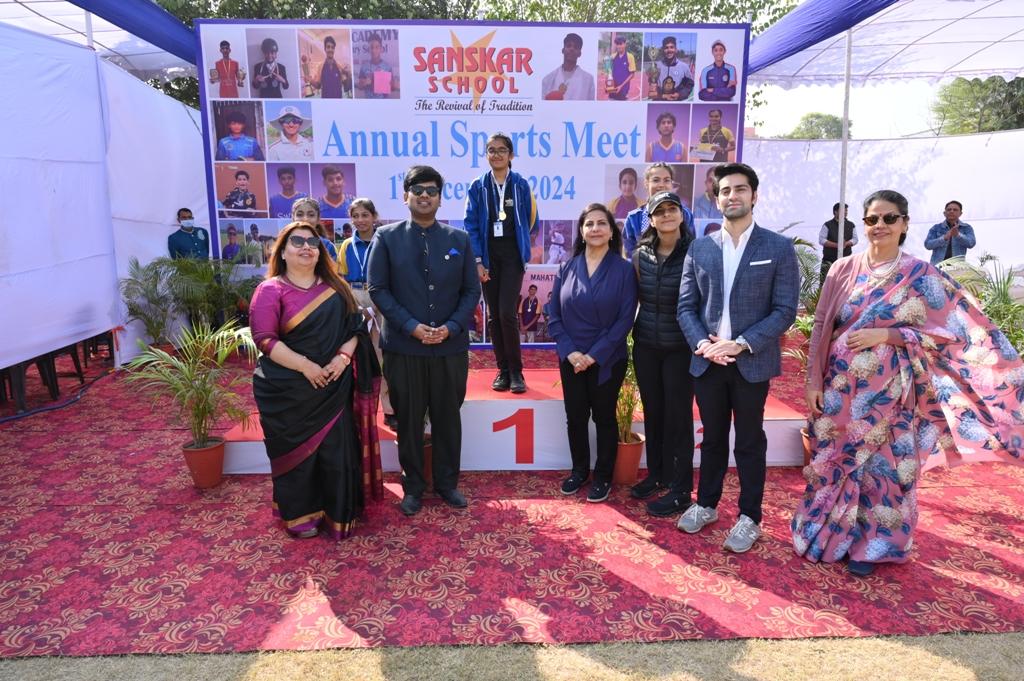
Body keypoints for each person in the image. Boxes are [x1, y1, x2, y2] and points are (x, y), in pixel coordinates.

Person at [793, 189, 1023, 576]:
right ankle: (830, 536)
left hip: (894, 393)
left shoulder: (922, 275)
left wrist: (889, 335)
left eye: (889, 218)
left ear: (904, 223)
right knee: (834, 461)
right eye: (872, 219)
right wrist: (813, 381)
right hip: (839, 390)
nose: (879, 225)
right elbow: (821, 326)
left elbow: (952, 333)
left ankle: (873, 547)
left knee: (885, 468)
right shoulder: (842, 268)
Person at [676, 163, 799, 552]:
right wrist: (704, 345)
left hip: (751, 362)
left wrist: (741, 343)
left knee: (748, 441)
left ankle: (750, 517)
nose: (732, 196)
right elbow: (686, 307)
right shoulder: (700, 247)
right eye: (725, 191)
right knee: (712, 438)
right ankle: (706, 504)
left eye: (740, 189)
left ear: (754, 195)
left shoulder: (777, 248)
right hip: (708, 362)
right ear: (716, 199)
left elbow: (784, 310)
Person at [249, 221, 382, 539]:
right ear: (282, 252)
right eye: (297, 242)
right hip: (288, 389)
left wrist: (343, 358)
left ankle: (338, 511)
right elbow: (264, 339)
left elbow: (356, 329)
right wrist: (306, 367)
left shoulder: (336, 288)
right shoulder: (270, 290)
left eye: (313, 242)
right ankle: (300, 513)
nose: (307, 247)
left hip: (333, 384)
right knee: (296, 458)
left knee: (337, 451)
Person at [368, 165, 480, 517]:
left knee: (448, 417)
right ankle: (413, 487)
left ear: (440, 198)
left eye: (432, 191)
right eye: (418, 190)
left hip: (449, 346)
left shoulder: (459, 240)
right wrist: (411, 326)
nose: (425, 196)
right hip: (405, 347)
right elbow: (378, 290)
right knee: (409, 419)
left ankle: (447, 484)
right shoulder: (386, 237)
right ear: (406, 196)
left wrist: (452, 327)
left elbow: (471, 291)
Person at [548, 203, 638, 502]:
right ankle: (579, 471)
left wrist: (594, 355)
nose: (595, 228)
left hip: (607, 359)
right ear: (581, 231)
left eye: (602, 223)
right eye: (589, 224)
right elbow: (554, 316)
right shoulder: (566, 268)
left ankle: (602, 476)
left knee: (604, 417)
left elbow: (625, 319)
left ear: (612, 231)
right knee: (575, 417)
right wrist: (571, 352)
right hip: (571, 358)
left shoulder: (624, 269)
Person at [630, 192, 696, 516]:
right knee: (654, 414)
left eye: (672, 209)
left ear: (681, 215)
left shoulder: (696, 253)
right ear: (652, 220)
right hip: (646, 345)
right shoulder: (640, 255)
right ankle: (657, 475)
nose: (667, 215)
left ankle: (681, 489)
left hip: (680, 349)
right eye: (660, 211)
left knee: (679, 418)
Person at [464, 133, 539, 394]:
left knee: (507, 312)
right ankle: (503, 370)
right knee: (494, 316)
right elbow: (471, 224)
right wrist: (478, 260)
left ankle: (516, 371)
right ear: (486, 155)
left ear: (511, 155)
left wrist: (522, 245)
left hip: (512, 257)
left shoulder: (520, 184)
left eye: (502, 150)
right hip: (488, 257)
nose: (496, 154)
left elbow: (532, 219)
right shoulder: (478, 186)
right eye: (491, 150)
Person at [338, 198, 394, 426]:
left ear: (374, 216)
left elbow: (391, 276)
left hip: (379, 297)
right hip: (354, 298)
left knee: (383, 356)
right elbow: (341, 279)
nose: (360, 220)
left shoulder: (384, 242)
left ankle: (390, 410)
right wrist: (356, 307)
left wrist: (375, 306)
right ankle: (356, 411)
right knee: (355, 355)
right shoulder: (346, 245)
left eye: (365, 215)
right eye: (355, 216)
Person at [623, 163, 695, 256]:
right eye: (656, 180)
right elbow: (630, 254)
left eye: (667, 180)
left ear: (672, 184)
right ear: (646, 184)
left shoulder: (685, 214)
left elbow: (690, 249)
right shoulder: (633, 218)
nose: (661, 185)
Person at [541, 33, 596, 100]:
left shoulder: (588, 80)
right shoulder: (548, 79)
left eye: (576, 47)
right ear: (563, 50)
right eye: (568, 46)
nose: (572, 49)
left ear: (580, 53)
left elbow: (590, 105)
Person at [924, 200, 976, 265]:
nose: (951, 211)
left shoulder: (966, 227)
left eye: (955, 210)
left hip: (958, 267)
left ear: (960, 213)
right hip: (937, 266)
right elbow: (927, 245)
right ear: (944, 213)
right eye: (949, 209)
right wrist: (944, 238)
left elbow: (971, 243)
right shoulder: (936, 228)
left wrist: (958, 235)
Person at [819, 202, 857, 282]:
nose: (845, 212)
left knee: (845, 284)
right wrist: (836, 245)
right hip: (829, 262)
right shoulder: (827, 224)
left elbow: (855, 239)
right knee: (825, 284)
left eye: (846, 210)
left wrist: (846, 243)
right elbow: (821, 240)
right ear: (835, 212)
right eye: (843, 210)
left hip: (846, 261)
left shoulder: (851, 225)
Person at [651, 36, 694, 101]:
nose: (669, 50)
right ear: (663, 50)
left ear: (676, 49)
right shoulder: (656, 66)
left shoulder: (684, 67)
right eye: (666, 48)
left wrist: (680, 94)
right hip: (659, 101)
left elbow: (689, 85)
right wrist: (662, 96)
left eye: (671, 47)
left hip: (677, 102)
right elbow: (652, 88)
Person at [358, 33, 398, 98]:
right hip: (368, 102)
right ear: (368, 49)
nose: (374, 50)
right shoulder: (364, 67)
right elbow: (359, 87)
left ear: (381, 49)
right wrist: (365, 82)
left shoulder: (387, 67)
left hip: (383, 102)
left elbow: (392, 88)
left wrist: (394, 86)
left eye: (377, 47)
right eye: (371, 47)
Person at [607, 35, 636, 101]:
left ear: (625, 44)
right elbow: (609, 72)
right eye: (617, 44)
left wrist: (621, 86)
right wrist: (608, 83)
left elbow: (632, 74)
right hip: (612, 91)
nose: (619, 46)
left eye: (621, 44)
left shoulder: (630, 57)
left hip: (623, 92)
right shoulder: (612, 57)